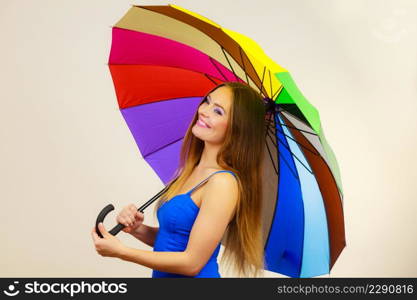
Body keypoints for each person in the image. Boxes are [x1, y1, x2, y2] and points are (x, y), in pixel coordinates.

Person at [92, 81, 267, 277]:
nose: (204, 111)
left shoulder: (223, 183)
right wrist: (137, 229)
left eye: (218, 111)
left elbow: (192, 262)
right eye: (207, 101)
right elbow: (174, 240)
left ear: (237, 129)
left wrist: (122, 252)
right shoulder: (190, 170)